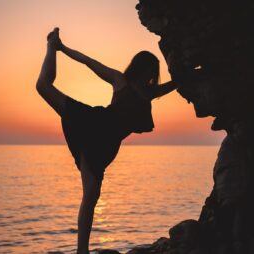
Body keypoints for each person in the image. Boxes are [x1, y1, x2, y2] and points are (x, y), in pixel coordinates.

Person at [36, 27, 178, 254]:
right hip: (92, 122)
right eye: (150, 70)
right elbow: (88, 62)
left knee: (91, 195)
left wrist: (198, 73)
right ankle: (51, 46)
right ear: (140, 67)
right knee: (42, 86)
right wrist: (63, 48)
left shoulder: (149, 92)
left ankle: (82, 250)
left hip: (106, 145)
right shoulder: (120, 80)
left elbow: (175, 84)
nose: (152, 76)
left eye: (154, 73)